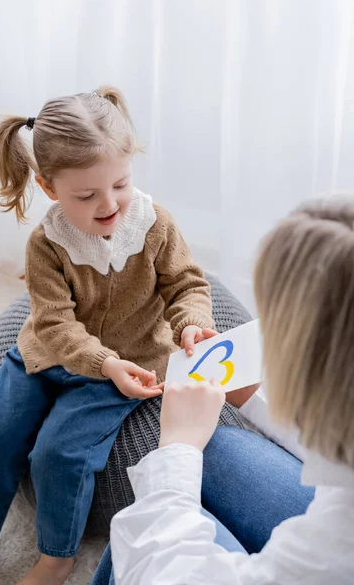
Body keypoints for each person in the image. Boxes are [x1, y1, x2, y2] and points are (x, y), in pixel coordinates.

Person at [0, 86, 218, 585]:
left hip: (124, 364)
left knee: (58, 453)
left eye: (120, 184)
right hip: (46, 354)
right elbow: (52, 322)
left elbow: (187, 285)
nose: (109, 203)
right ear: (50, 188)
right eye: (86, 195)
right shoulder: (47, 243)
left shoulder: (154, 224)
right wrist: (98, 360)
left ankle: (57, 558)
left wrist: (190, 324)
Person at [103, 198, 354, 584]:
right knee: (216, 449)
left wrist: (176, 447)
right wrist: (253, 399)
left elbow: (167, 572)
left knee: (146, 528)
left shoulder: (336, 548)